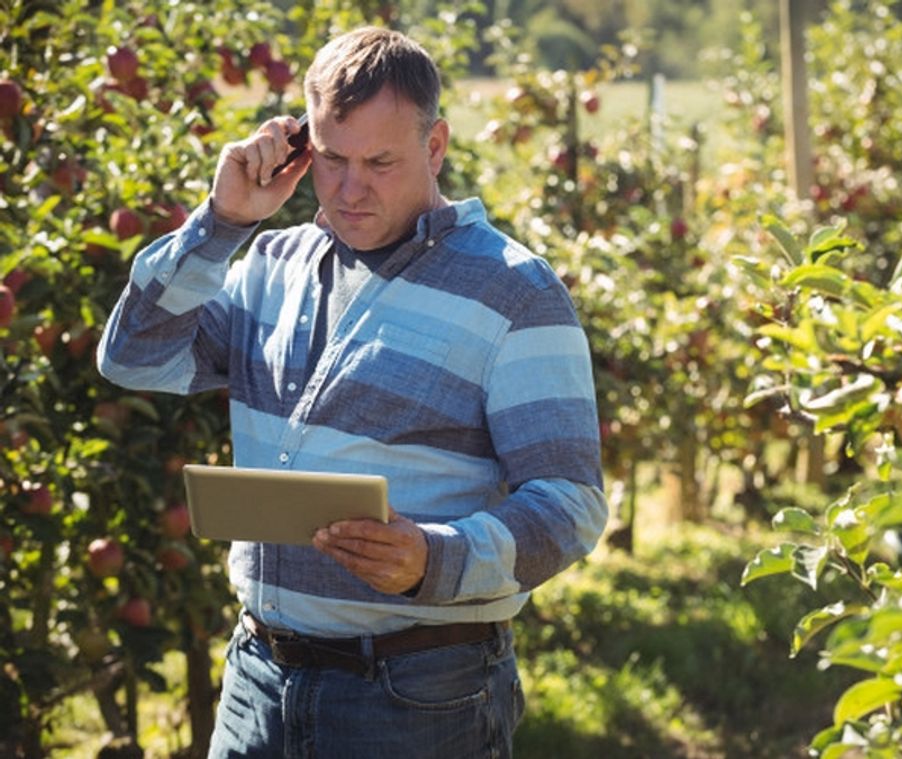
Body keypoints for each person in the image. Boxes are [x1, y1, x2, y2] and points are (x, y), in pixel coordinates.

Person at [97, 26, 606, 758]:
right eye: (331, 159)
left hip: (416, 697)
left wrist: (436, 558)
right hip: (258, 680)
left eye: (380, 162)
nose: (349, 187)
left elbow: (569, 500)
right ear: (302, 147)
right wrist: (221, 223)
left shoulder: (514, 292)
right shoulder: (270, 264)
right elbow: (134, 357)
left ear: (436, 149)